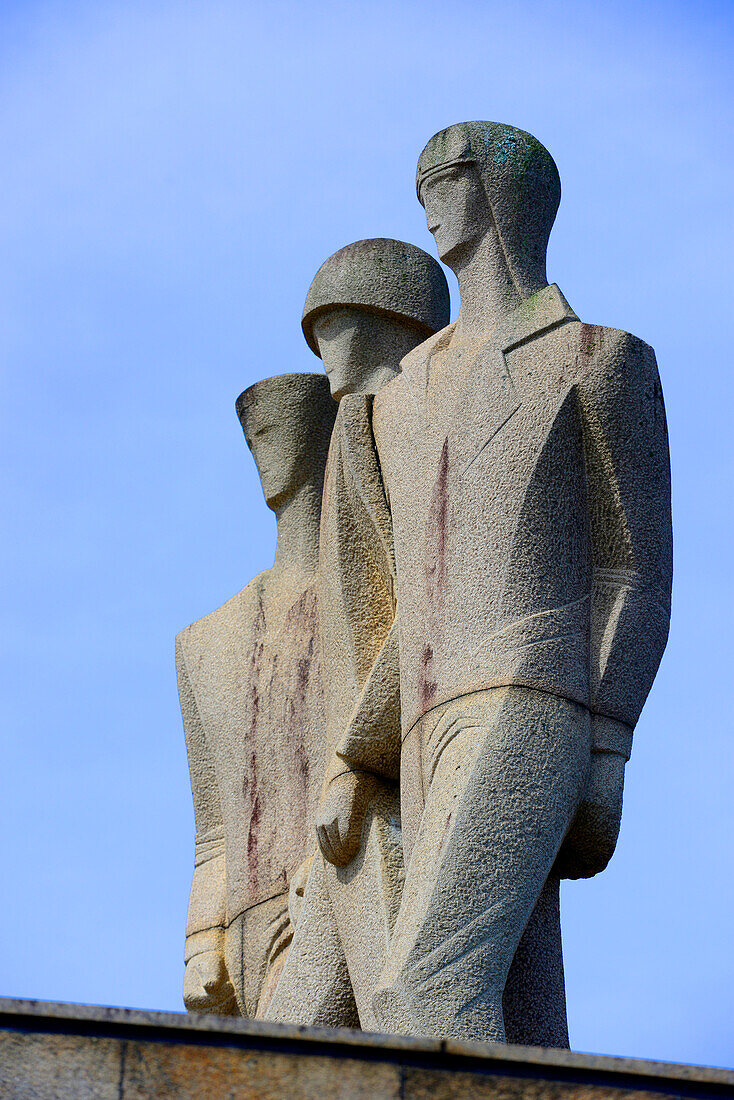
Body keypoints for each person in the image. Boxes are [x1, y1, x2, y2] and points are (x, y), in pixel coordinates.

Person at [315, 122, 672, 1042]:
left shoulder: (598, 358)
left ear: (503, 191)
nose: (426, 198)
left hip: (535, 694)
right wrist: (362, 757)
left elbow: (630, 572)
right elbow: (404, 603)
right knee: (518, 1008)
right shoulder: (392, 401)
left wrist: (608, 745)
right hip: (427, 719)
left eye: (444, 175)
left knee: (423, 987)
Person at [266, 237, 450, 1029]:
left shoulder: (404, 419)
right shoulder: (355, 430)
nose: (324, 349)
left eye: (338, 325)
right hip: (348, 812)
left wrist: (354, 761)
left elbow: (433, 608)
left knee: (406, 1019)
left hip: (392, 788)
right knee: (287, 1044)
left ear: (389, 320)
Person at [179, 372, 335, 1017]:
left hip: (343, 883)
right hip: (246, 918)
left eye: (281, 426)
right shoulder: (207, 641)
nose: (265, 445)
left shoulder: (372, 592)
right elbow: (214, 826)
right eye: (255, 434)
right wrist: (201, 941)